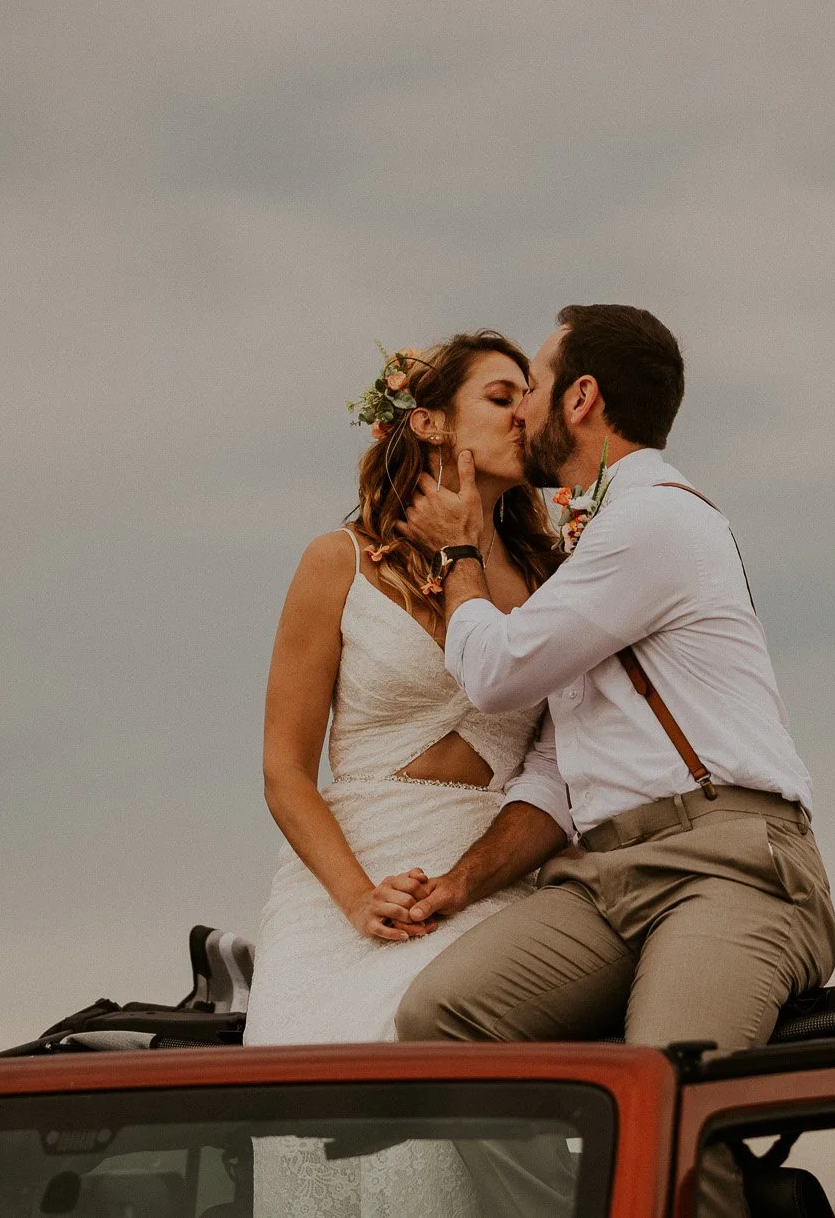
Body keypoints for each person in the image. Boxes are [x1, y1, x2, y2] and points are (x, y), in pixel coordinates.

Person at [390, 304, 835, 1218]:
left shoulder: (655, 522)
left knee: (669, 1113)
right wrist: (461, 881)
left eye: (539, 388)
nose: (523, 413)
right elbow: (560, 762)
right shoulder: (595, 545)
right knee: (443, 1020)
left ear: (584, 398)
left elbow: (498, 670)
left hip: (730, 867)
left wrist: (462, 546)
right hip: (605, 876)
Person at [244, 330, 566, 1215]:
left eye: (529, 397)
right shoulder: (335, 561)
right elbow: (284, 770)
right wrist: (355, 896)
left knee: (447, 1136)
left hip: (481, 885)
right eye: (502, 396)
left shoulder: (554, 579)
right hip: (340, 897)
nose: (524, 413)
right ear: (427, 421)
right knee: (319, 1140)